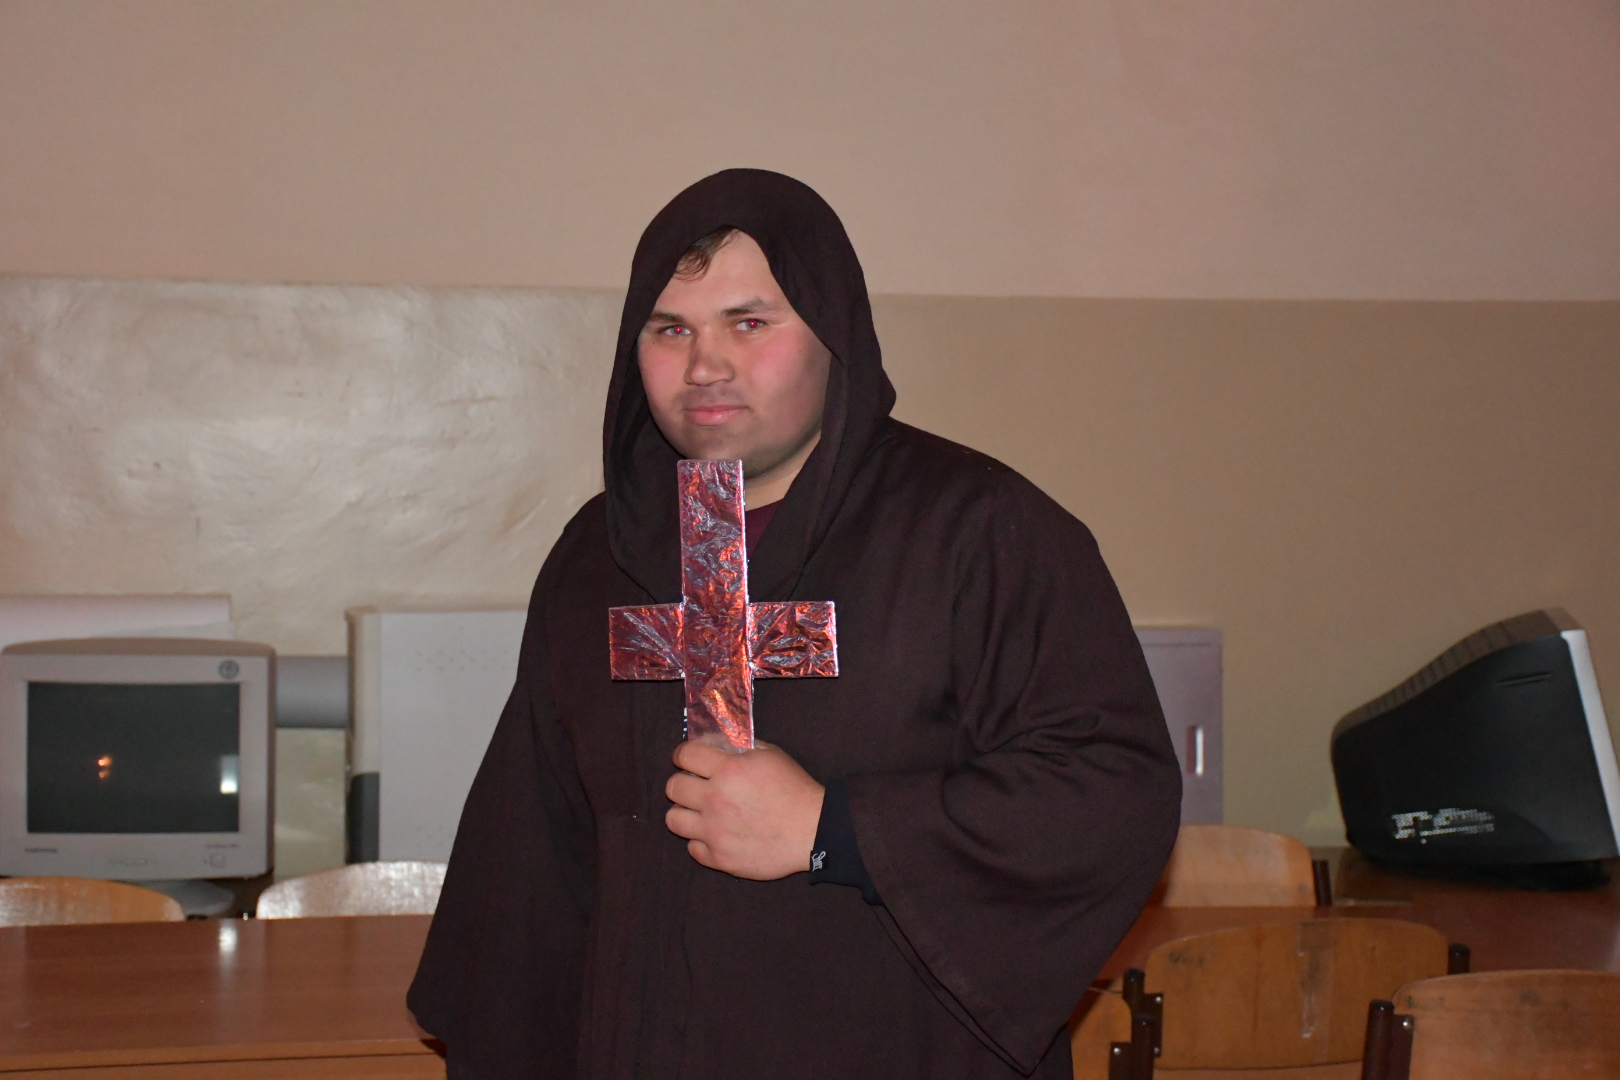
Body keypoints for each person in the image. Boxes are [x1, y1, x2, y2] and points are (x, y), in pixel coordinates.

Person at [408, 169, 1182, 1080]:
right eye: (670, 330)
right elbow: (533, 859)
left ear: (833, 334)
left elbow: (1110, 793)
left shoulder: (980, 531)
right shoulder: (598, 555)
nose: (705, 366)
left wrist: (833, 827)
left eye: (749, 323)